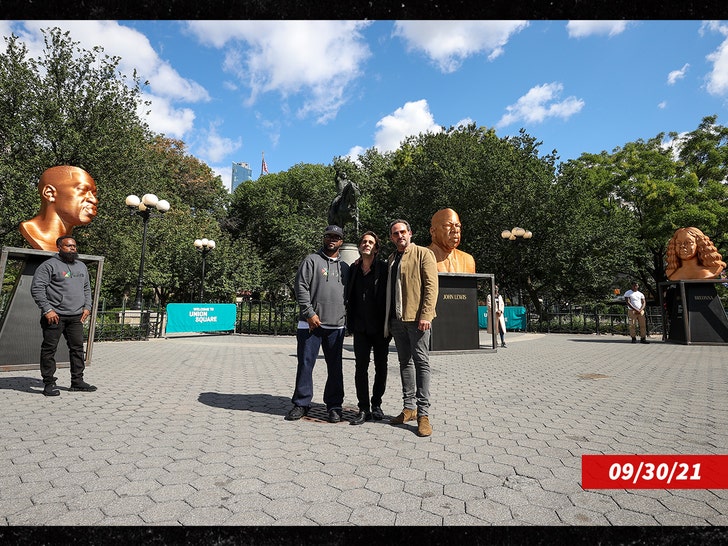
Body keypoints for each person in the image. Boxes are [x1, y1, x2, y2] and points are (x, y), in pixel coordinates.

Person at [285, 225, 350, 424]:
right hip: (310, 324)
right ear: (324, 238)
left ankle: (334, 406)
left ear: (341, 241)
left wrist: (345, 318)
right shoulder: (311, 260)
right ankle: (302, 403)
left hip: (335, 326)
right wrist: (309, 313)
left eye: (336, 237)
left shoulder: (345, 267)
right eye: (329, 236)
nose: (332, 239)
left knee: (335, 368)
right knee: (305, 364)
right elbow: (301, 287)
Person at [384, 219, 439, 437]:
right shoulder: (391, 258)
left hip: (418, 320)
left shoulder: (424, 254)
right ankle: (409, 409)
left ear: (410, 233)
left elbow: (432, 286)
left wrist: (426, 314)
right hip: (397, 320)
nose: (400, 236)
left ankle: (423, 414)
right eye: (395, 234)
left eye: (403, 232)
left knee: (421, 363)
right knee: (404, 363)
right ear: (391, 238)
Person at [30, 235, 97, 396]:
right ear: (59, 247)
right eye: (68, 246)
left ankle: (77, 381)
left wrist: (87, 307)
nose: (73, 248)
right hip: (55, 316)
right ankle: (49, 383)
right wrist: (48, 309)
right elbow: (37, 288)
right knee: (49, 350)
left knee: (77, 349)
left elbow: (87, 289)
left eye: (74, 246)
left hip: (76, 317)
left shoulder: (81, 267)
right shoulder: (49, 265)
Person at [346, 231, 391, 425]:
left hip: (380, 327)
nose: (367, 244)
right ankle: (363, 408)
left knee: (381, 367)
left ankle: (377, 404)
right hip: (360, 328)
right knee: (360, 368)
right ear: (359, 246)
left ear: (376, 248)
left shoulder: (384, 269)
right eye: (364, 241)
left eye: (371, 242)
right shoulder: (353, 269)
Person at [19, 166, 98, 252]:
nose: (94, 200)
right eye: (82, 190)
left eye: (93, 194)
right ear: (50, 194)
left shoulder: (67, 247)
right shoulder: (33, 233)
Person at [426, 208, 476, 273]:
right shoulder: (421, 257)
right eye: (448, 225)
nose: (455, 230)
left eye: (457, 226)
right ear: (433, 231)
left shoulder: (467, 260)